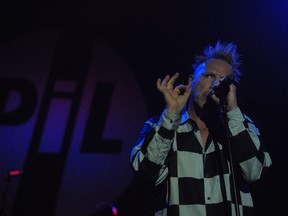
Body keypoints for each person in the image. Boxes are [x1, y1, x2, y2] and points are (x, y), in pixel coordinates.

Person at [130, 41, 272, 216]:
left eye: (224, 81)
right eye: (209, 76)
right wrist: (172, 115)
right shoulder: (159, 125)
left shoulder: (241, 125)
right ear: (191, 80)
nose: (215, 85)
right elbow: (145, 173)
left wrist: (233, 111)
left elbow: (253, 172)